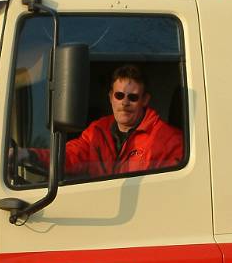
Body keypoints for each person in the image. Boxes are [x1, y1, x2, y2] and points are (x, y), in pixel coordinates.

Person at [21, 64, 183, 178]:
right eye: (119, 95)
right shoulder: (96, 132)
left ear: (145, 100)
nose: (125, 102)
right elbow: (69, 157)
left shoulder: (169, 140)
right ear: (111, 97)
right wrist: (27, 155)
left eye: (133, 97)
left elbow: (169, 190)